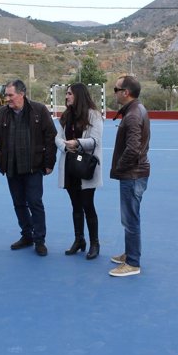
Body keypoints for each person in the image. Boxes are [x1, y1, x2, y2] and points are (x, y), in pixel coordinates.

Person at [0, 79, 57, 256]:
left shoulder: (39, 110)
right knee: (19, 204)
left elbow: (50, 136)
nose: (7, 98)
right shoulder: (1, 113)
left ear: (22, 94)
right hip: (11, 167)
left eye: (10, 95)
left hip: (34, 167)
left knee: (35, 203)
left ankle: (39, 240)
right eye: (6, 95)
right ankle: (27, 235)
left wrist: (49, 163)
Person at [55, 83, 103, 260]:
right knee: (75, 205)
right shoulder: (66, 116)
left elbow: (95, 140)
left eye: (69, 94)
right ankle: (79, 240)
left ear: (79, 96)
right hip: (70, 166)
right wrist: (65, 146)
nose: (66, 97)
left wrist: (77, 143)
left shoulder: (94, 115)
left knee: (87, 205)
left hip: (85, 168)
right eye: (66, 94)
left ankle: (95, 243)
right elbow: (58, 138)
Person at [109, 75, 150, 277]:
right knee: (130, 217)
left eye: (116, 89)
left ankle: (132, 262)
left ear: (125, 92)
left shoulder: (133, 115)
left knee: (130, 218)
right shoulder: (136, 109)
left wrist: (120, 166)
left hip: (132, 175)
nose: (114, 92)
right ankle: (129, 253)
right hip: (136, 173)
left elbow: (133, 148)